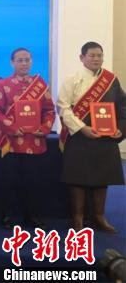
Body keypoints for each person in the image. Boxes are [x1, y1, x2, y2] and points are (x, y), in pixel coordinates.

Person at [57, 41, 125, 233]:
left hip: (105, 139)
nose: (96, 59)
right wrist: (82, 128)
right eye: (92, 55)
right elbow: (63, 107)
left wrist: (120, 129)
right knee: (77, 178)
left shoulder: (111, 80)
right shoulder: (72, 79)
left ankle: (99, 217)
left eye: (99, 55)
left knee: (102, 178)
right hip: (80, 137)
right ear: (82, 57)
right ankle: (77, 218)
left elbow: (123, 107)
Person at [0, 47, 55, 230]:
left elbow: (49, 110)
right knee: (9, 181)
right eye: (20, 60)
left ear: (31, 61)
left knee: (33, 181)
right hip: (10, 142)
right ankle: (8, 215)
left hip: (35, 140)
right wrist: (11, 127)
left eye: (27, 60)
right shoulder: (2, 84)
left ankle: (32, 215)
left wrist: (45, 127)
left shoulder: (40, 85)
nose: (24, 63)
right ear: (12, 62)